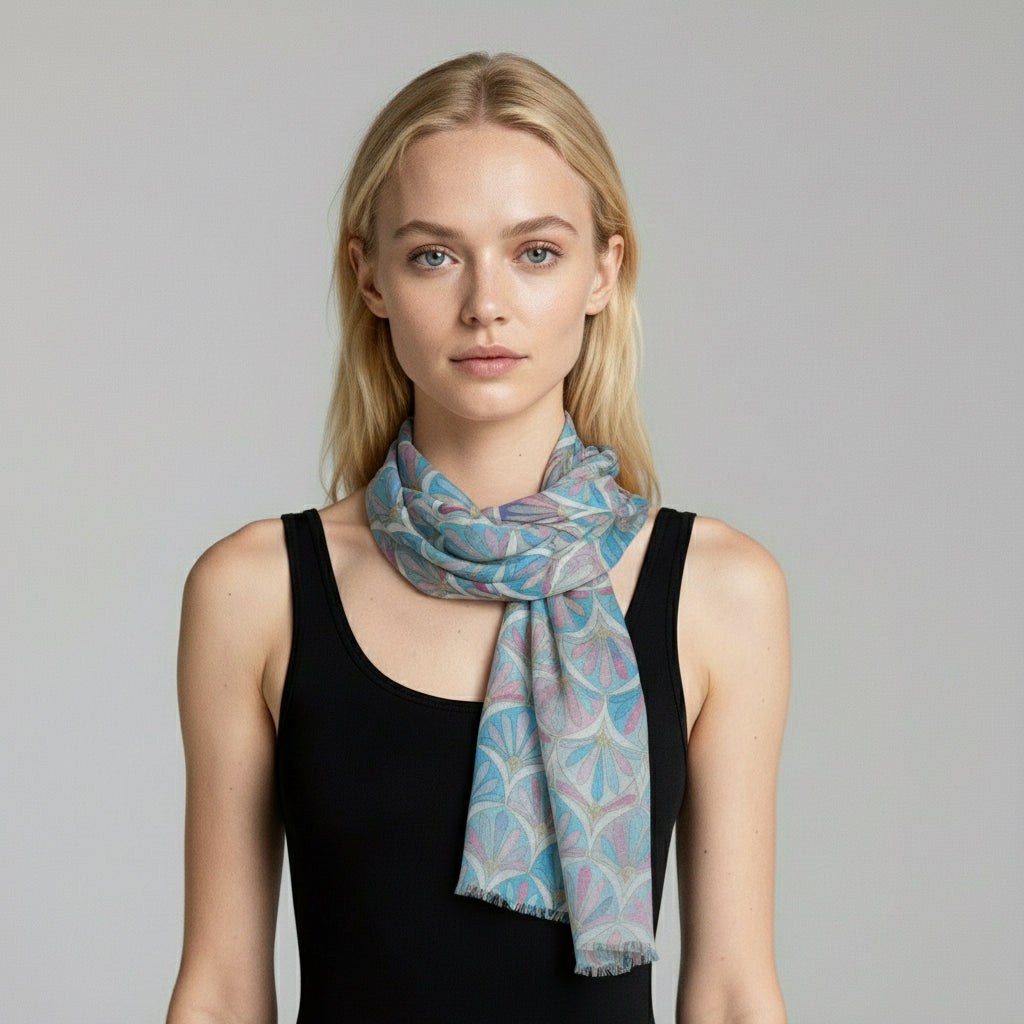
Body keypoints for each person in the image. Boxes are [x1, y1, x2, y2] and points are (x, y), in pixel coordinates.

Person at [166, 52, 790, 1024]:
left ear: (603, 270)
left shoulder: (720, 590)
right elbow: (220, 989)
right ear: (369, 276)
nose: (484, 304)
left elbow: (733, 992)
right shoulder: (257, 589)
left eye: (535, 252)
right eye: (434, 255)